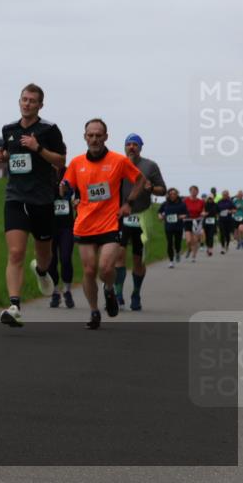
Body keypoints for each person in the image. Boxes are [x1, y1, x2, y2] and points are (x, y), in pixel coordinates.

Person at [0, 84, 67, 327]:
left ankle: (42, 271)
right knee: (15, 253)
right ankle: (14, 306)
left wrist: (38, 148)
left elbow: (61, 161)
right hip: (15, 198)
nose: (27, 104)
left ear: (40, 105)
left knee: (44, 256)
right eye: (24, 99)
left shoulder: (49, 130)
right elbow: (7, 154)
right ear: (19, 101)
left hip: (42, 200)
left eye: (32, 101)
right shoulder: (9, 129)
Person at [61, 119, 145, 329]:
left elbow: (140, 179)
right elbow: (67, 184)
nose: (95, 139)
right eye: (91, 135)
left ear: (106, 137)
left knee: (105, 268)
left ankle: (109, 289)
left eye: (99, 135)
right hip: (85, 225)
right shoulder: (77, 163)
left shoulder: (118, 160)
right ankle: (94, 311)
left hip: (110, 224)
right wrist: (63, 188)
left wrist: (129, 203)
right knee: (89, 270)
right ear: (85, 137)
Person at [113, 134, 166, 311]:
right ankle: (118, 294)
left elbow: (162, 190)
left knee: (138, 260)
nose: (132, 147)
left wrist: (151, 188)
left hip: (141, 217)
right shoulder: (117, 163)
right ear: (124, 147)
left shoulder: (150, 166)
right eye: (128, 144)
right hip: (120, 216)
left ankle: (136, 293)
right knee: (118, 256)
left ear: (141, 147)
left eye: (135, 144)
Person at [48, 166, 77, 308]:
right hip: (49, 224)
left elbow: (76, 192)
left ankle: (67, 290)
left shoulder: (69, 172)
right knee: (51, 261)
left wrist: (67, 193)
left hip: (67, 225)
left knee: (65, 258)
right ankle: (54, 292)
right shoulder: (44, 171)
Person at [158, 189, 188, 267]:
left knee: (177, 243)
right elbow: (159, 212)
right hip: (168, 226)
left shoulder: (182, 204)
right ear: (168, 195)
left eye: (174, 194)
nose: (172, 195)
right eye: (171, 194)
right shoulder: (165, 204)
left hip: (178, 226)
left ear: (177, 194)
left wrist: (181, 216)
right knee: (170, 243)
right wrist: (160, 216)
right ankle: (171, 261)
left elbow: (186, 214)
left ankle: (178, 252)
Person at [182, 186, 205, 262]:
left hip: (197, 221)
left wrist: (203, 213)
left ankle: (193, 256)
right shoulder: (185, 200)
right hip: (187, 220)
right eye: (192, 191)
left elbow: (203, 210)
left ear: (197, 192)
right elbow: (181, 209)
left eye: (195, 191)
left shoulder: (201, 201)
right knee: (188, 240)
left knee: (195, 240)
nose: (194, 192)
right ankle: (189, 248)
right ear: (190, 191)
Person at [217, 190, 236, 254]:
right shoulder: (219, 202)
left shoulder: (230, 202)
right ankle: (222, 247)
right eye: (223, 195)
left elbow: (234, 210)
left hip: (228, 220)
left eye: (226, 195)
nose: (224, 196)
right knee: (222, 234)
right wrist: (217, 213)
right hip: (221, 220)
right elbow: (216, 210)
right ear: (222, 195)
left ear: (228, 195)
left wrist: (231, 211)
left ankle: (227, 245)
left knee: (227, 234)